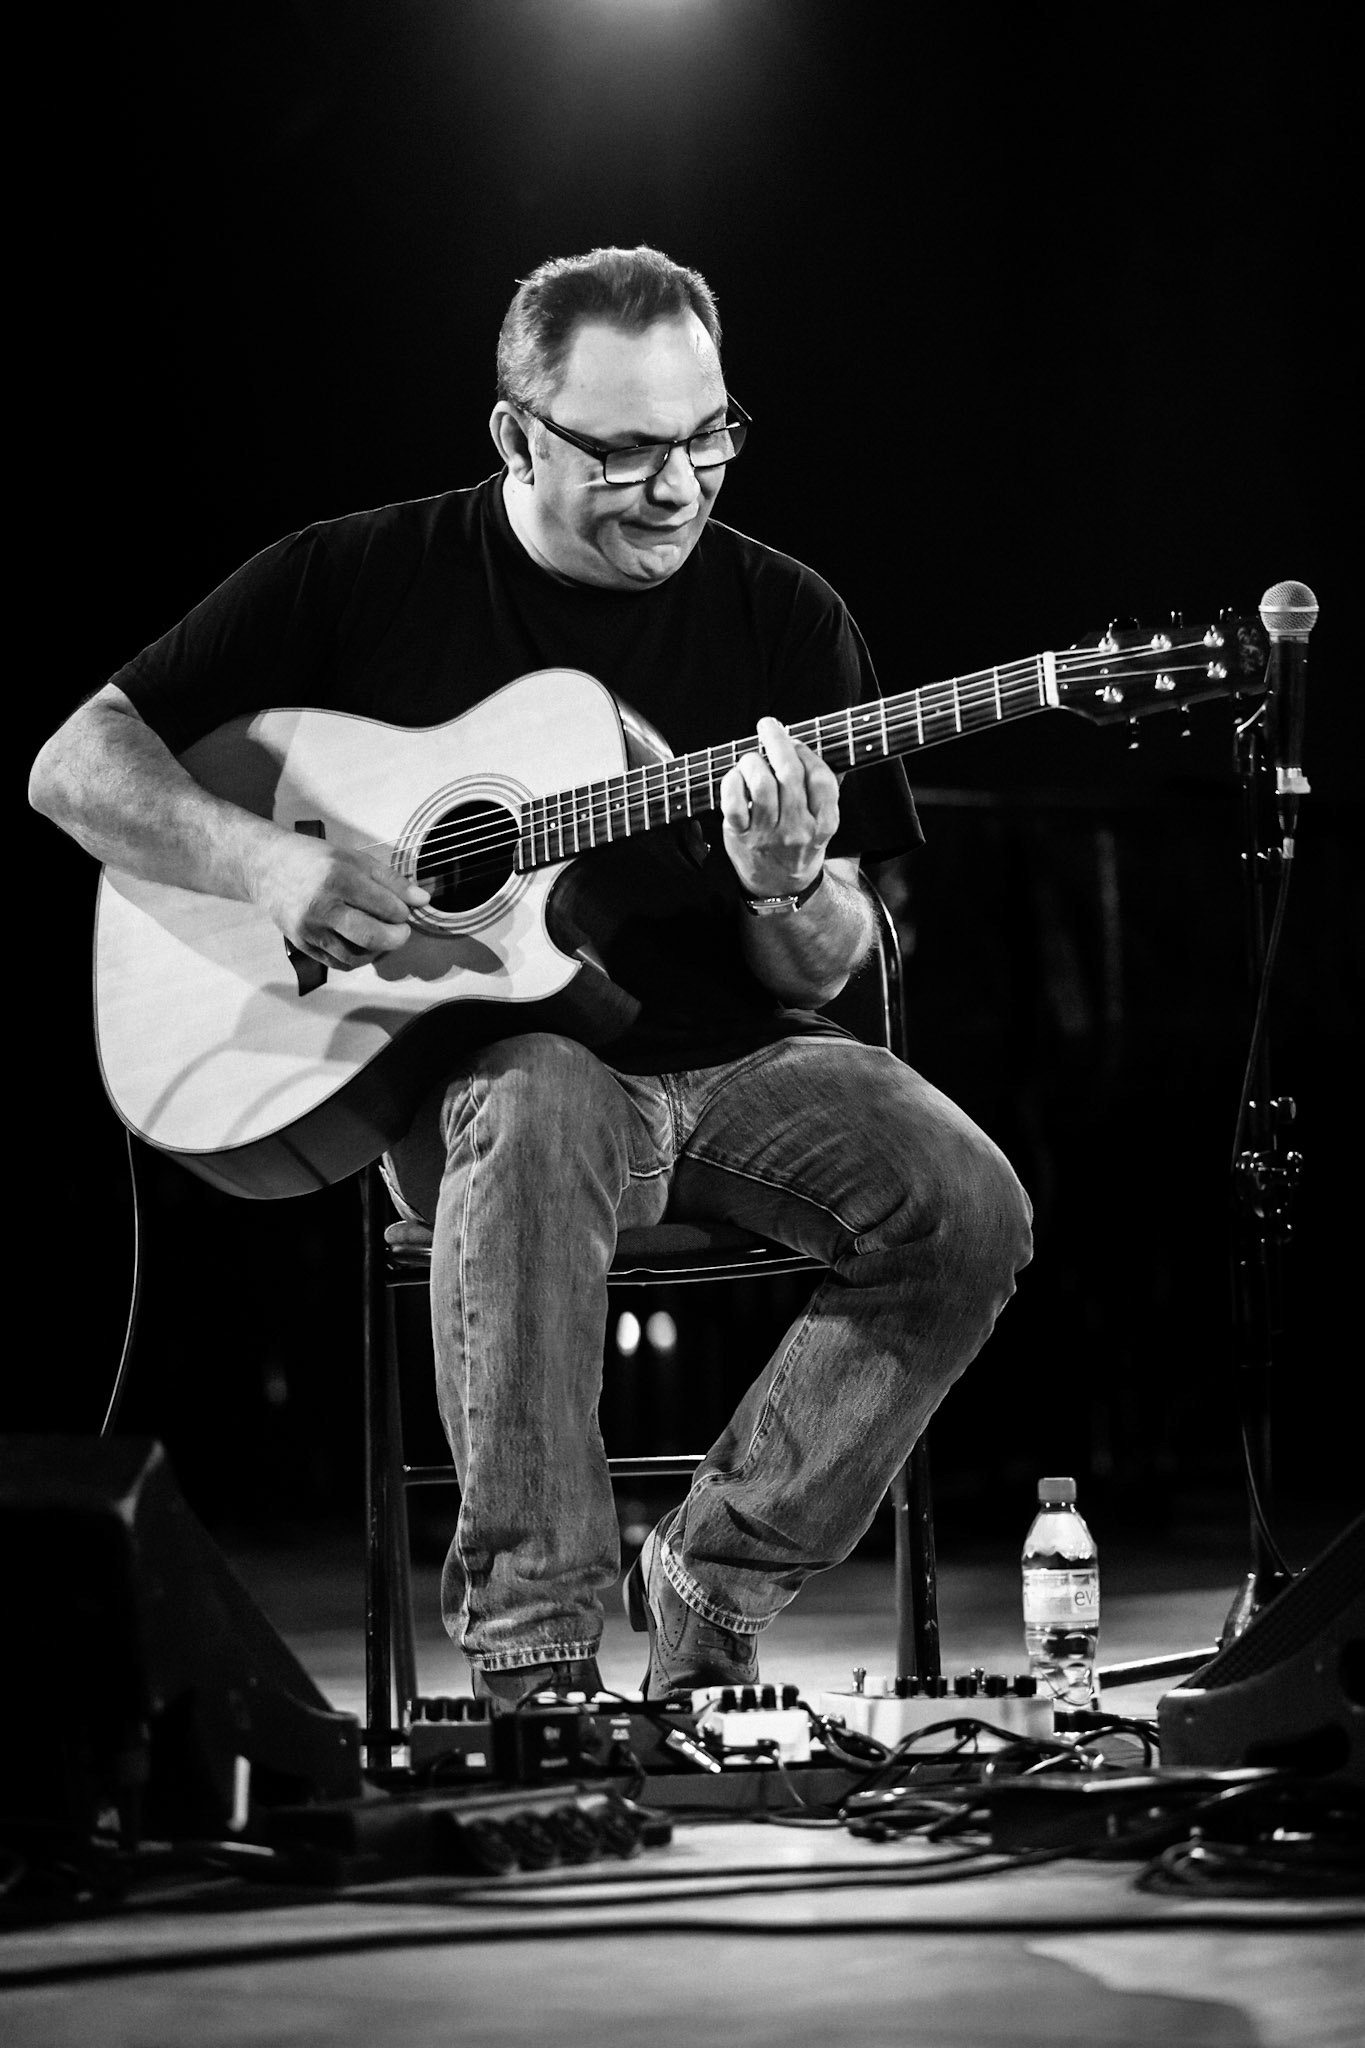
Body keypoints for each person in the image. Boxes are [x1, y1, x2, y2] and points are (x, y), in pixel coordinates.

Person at [29, 245, 1032, 1704]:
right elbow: (74, 762)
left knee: (969, 1206)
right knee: (544, 1088)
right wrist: (266, 863)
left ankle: (713, 1569)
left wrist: (784, 887)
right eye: (626, 452)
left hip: (742, 1065)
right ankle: (539, 1668)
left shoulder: (787, 619)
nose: (678, 486)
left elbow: (833, 966)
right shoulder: (359, 573)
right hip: (483, 1096)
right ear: (515, 433)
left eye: (707, 439)